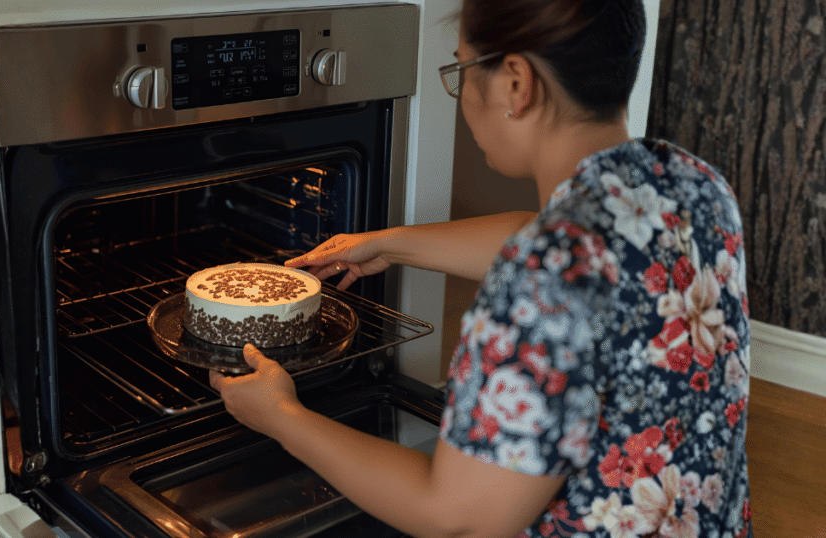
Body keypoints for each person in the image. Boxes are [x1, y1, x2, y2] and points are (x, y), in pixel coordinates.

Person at [210, 0, 754, 536]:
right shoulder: (694, 185)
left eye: (464, 70)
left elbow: (453, 515)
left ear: (517, 82)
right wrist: (390, 244)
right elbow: (563, 245)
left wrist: (283, 416)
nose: (463, 93)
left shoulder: (544, 274)